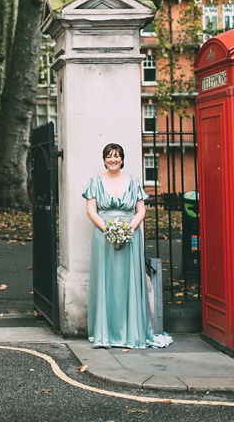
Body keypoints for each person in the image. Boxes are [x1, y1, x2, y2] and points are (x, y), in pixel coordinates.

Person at [84, 143, 171, 348]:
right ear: (104, 159)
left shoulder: (133, 182)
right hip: (104, 238)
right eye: (109, 156)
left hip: (130, 237)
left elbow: (140, 211)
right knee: (107, 282)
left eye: (117, 156)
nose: (113, 160)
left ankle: (132, 333)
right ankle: (106, 334)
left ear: (122, 159)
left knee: (129, 282)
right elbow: (91, 211)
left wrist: (128, 230)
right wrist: (109, 230)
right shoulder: (95, 182)